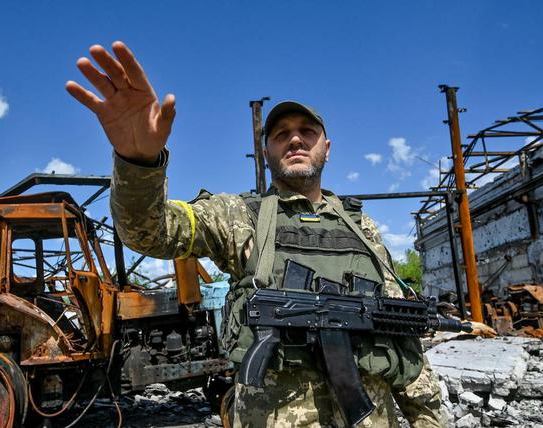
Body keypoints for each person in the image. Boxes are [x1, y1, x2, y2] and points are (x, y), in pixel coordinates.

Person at [66, 41, 445, 428]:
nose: (295, 139)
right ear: (266, 152)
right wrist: (139, 163)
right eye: (281, 134)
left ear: (326, 148)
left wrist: (429, 419)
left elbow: (399, 335)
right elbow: (149, 232)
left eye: (307, 131)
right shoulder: (238, 216)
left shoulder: (361, 228)